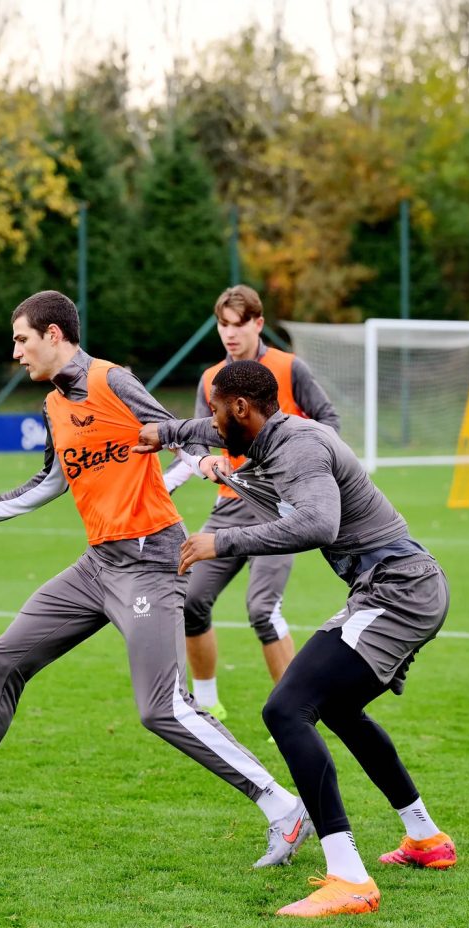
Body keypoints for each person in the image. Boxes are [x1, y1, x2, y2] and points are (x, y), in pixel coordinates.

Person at [0, 289, 314, 869]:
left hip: (149, 561)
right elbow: (55, 477)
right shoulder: (55, 405)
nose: (15, 353)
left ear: (54, 336)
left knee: (160, 708)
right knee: (4, 658)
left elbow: (182, 429)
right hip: (97, 564)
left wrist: (207, 464)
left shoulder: (112, 380)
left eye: (22, 340)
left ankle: (285, 809)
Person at [135, 359, 456, 917]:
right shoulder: (262, 433)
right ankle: (426, 839)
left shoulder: (301, 447)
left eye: (216, 408)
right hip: (391, 588)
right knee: (340, 711)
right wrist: (162, 434)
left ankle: (350, 880)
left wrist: (221, 542)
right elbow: (209, 435)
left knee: (286, 709)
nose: (209, 419)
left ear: (241, 408)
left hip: (398, 591)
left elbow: (317, 526)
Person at [163, 285, 339, 718]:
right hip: (228, 504)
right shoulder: (209, 379)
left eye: (238, 324)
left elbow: (329, 422)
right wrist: (186, 472)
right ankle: (205, 705)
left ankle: (298, 710)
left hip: (281, 505)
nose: (230, 333)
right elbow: (195, 440)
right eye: (223, 324)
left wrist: (304, 466)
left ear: (258, 324)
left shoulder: (288, 367)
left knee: (262, 609)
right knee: (191, 601)